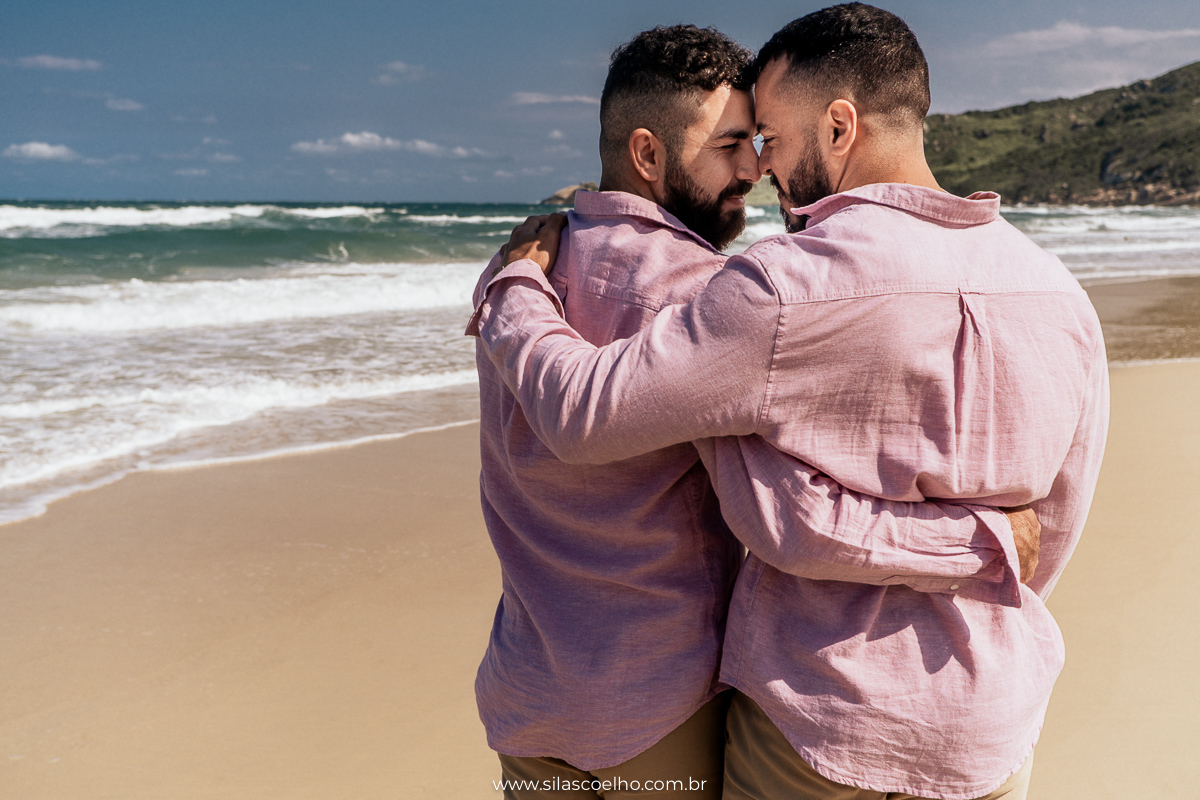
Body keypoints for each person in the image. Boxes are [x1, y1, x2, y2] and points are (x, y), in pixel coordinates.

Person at [469, 5, 1108, 800]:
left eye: (767, 137)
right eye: (739, 143)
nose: (761, 167)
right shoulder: (1063, 295)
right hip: (983, 719)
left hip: (797, 713)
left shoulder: (777, 290)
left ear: (840, 128)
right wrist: (985, 549)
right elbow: (1055, 528)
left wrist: (515, 280)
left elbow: (783, 519)